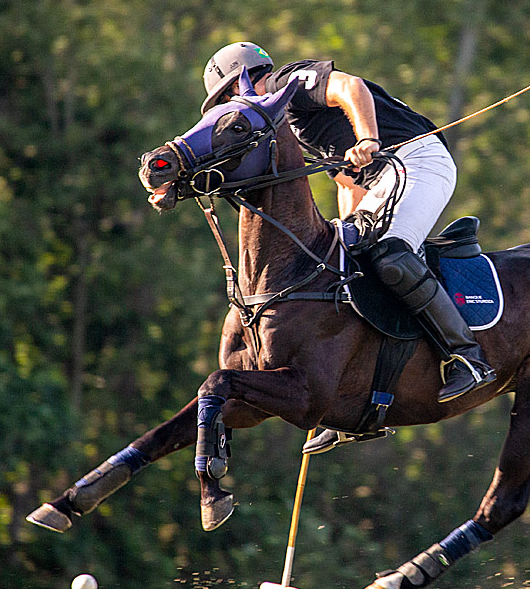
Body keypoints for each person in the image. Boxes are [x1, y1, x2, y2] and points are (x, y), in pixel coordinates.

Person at [200, 42, 496, 407]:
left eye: (227, 99)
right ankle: (359, 391)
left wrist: (368, 138)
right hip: (382, 179)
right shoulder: (286, 128)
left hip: (417, 161)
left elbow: (350, 86)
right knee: (343, 267)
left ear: (238, 85)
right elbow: (348, 182)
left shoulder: (285, 84)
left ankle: (466, 355)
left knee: (391, 256)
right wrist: (342, 236)